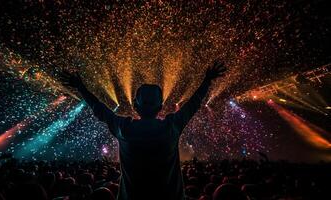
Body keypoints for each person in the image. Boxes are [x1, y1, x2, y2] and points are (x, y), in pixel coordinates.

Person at [60, 61, 226, 200]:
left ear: (135, 106)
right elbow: (194, 103)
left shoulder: (124, 128)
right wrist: (207, 80)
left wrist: (80, 86)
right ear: (160, 107)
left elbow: (98, 107)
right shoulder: (171, 127)